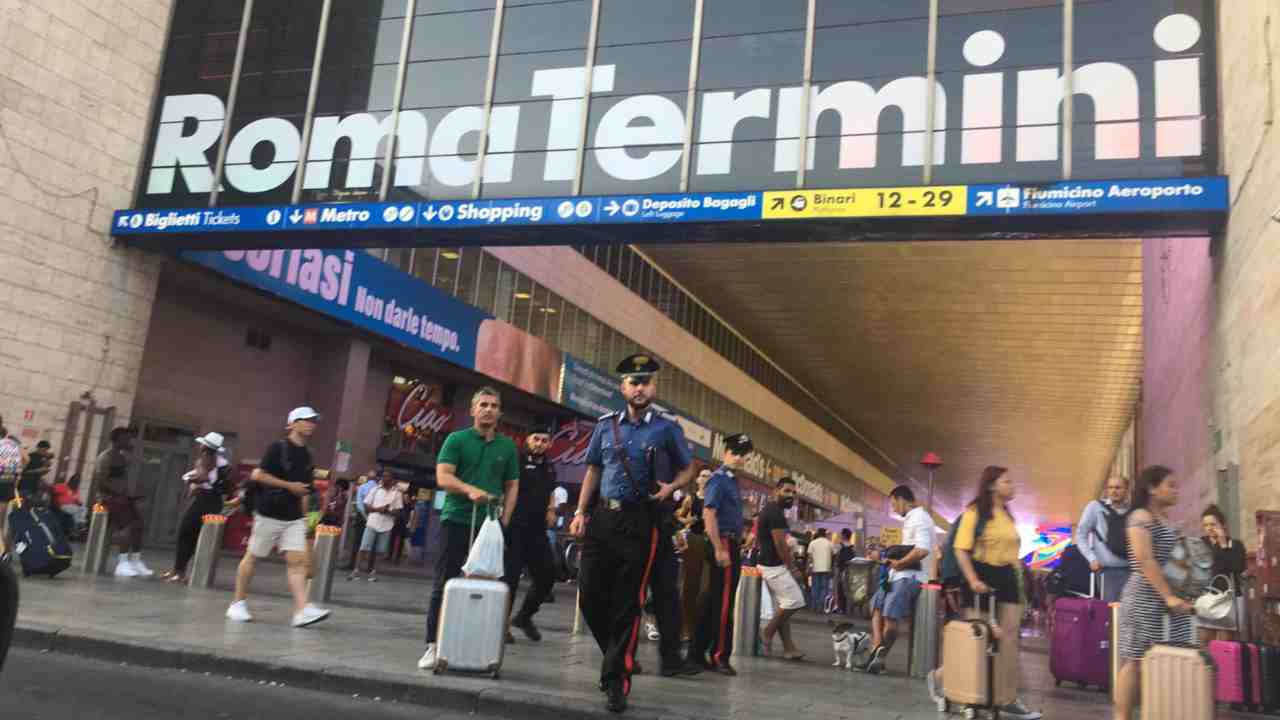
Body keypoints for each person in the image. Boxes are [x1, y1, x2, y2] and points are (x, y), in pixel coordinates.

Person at [569, 354, 699, 714]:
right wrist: (580, 512)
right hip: (603, 519)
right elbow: (594, 470)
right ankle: (618, 655)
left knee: (628, 601)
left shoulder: (667, 429)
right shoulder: (606, 425)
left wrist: (672, 486)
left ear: (653, 387)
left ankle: (616, 681)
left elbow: (690, 468)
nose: (639, 388)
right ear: (622, 387)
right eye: (633, 382)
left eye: (646, 381)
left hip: (642, 523)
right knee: (590, 596)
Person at [926, 467, 1041, 720]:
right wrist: (972, 579)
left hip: (1008, 576)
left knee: (1009, 641)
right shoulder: (975, 512)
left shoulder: (1007, 516)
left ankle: (1007, 698)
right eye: (1006, 481)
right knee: (978, 640)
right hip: (980, 575)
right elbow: (960, 549)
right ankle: (941, 678)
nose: (1012, 486)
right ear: (991, 485)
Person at [418, 387, 520, 672]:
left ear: (500, 412)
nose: (488, 409)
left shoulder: (508, 447)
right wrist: (470, 490)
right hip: (457, 520)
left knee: (487, 586)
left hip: (489, 526)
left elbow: (512, 486)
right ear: (473, 410)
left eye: (494, 405)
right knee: (445, 583)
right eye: (483, 404)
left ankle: (477, 647)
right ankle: (433, 646)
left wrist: (505, 521)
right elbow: (443, 477)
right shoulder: (456, 439)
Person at [226, 407, 331, 628]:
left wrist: (305, 520)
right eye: (307, 420)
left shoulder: (307, 454)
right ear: (292, 423)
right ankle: (237, 603)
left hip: (292, 516)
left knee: (297, 562)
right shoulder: (278, 448)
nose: (312, 424)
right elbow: (258, 474)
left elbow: (304, 489)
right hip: (269, 512)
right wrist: (288, 486)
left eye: (314, 421)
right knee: (253, 557)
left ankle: (301, 610)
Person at [1112, 466, 1194, 720]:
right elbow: (1144, 559)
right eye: (1170, 484)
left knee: (1165, 658)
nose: (1175, 489)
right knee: (1134, 659)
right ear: (1152, 488)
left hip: (1167, 597)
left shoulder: (1166, 522)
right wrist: (1168, 596)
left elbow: (1175, 563)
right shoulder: (1140, 516)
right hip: (1143, 596)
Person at [689, 432, 753, 675]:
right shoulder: (719, 479)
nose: (739, 458)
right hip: (723, 543)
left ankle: (698, 653)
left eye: (743, 455)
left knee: (714, 601)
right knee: (723, 603)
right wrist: (718, 547)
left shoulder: (731, 480)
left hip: (730, 542)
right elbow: (709, 514)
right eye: (736, 453)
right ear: (725, 453)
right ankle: (719, 655)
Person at [863, 485, 934, 673]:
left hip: (909, 576)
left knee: (891, 618)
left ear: (902, 499)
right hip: (897, 575)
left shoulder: (919, 518)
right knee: (876, 607)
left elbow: (922, 549)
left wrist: (900, 563)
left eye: (894, 504)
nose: (893, 508)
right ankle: (877, 651)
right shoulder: (912, 519)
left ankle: (879, 656)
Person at [503, 427, 559, 643]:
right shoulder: (516, 460)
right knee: (510, 580)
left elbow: (551, 489)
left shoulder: (550, 466)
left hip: (537, 531)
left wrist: (551, 509)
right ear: (527, 440)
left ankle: (524, 617)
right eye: (536, 439)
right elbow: (505, 486)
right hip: (515, 528)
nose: (540, 443)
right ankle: (502, 626)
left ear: (549, 444)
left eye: (544, 440)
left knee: (548, 575)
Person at [161, 432, 230, 583]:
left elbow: (203, 477)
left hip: (205, 500)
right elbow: (221, 484)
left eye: (202, 444)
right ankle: (181, 571)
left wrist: (189, 479)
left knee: (186, 533)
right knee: (196, 536)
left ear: (205, 446)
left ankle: (179, 572)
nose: (199, 446)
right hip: (214, 502)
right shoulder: (222, 463)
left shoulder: (205, 458)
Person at [92, 427, 154, 578]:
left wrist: (130, 495)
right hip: (108, 498)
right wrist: (117, 494)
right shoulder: (105, 457)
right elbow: (100, 482)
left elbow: (120, 480)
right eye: (126, 438)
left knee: (139, 525)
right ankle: (122, 563)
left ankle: (136, 560)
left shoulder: (121, 457)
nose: (129, 441)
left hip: (122, 497)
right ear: (117, 439)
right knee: (128, 525)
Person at [756, 477, 807, 660]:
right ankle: (766, 633)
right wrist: (792, 568)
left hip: (771, 564)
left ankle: (788, 648)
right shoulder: (774, 513)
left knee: (785, 604)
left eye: (793, 492)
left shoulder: (774, 511)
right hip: (773, 566)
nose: (790, 495)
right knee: (795, 601)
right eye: (786, 491)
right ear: (776, 491)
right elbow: (780, 543)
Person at [1074, 475, 1131, 602]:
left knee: (1130, 614)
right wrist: (1091, 558)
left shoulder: (1133, 511)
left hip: (1131, 570)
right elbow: (1081, 534)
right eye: (1110, 487)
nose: (1113, 491)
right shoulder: (1095, 507)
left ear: (1127, 490)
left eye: (1118, 487)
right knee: (1112, 612)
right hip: (1107, 571)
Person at [1199, 504, 1247, 643]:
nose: (1209, 528)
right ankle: (1208, 664)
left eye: (1213, 524)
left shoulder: (1235, 544)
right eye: (1205, 525)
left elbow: (1237, 567)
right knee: (1205, 638)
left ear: (1223, 525)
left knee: (1226, 640)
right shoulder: (1200, 544)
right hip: (1207, 597)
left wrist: (1223, 544)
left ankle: (1225, 664)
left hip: (1229, 597)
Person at [350, 467, 403, 582]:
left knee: (380, 551)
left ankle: (373, 573)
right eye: (383, 476)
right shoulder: (375, 490)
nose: (385, 478)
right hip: (372, 522)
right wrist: (379, 509)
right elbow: (366, 505)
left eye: (387, 476)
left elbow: (398, 511)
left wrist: (388, 511)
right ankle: (356, 570)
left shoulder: (397, 494)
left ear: (392, 479)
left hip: (387, 525)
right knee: (364, 547)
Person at [678, 469, 711, 641]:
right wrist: (688, 521)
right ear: (697, 479)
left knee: (705, 589)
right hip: (693, 541)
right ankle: (685, 628)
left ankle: (700, 629)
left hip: (709, 544)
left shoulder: (715, 498)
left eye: (709, 476)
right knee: (689, 586)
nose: (706, 479)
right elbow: (678, 516)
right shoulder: (691, 498)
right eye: (704, 475)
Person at [0, 424, 26, 553]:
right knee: (6, 520)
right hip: (8, 484)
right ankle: (5, 550)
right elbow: (25, 460)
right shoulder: (13, 446)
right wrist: (17, 475)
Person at [808, 529, 834, 611]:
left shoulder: (812, 543)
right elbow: (834, 555)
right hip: (826, 568)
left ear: (818, 534)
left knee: (815, 587)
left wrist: (809, 567)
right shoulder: (829, 543)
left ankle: (814, 605)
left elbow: (810, 557)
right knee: (824, 588)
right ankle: (821, 605)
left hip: (815, 568)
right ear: (825, 534)